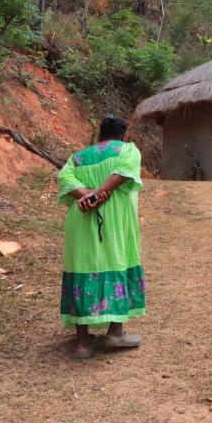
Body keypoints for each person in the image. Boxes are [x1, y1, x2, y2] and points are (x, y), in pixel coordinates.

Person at [57, 116, 146, 359]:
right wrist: (99, 194)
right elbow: (123, 172)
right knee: (117, 262)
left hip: (81, 221)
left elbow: (64, 179)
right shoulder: (127, 150)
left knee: (82, 267)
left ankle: (83, 344)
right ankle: (115, 333)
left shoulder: (77, 157)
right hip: (116, 221)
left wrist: (87, 196)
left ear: (99, 135)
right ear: (123, 135)